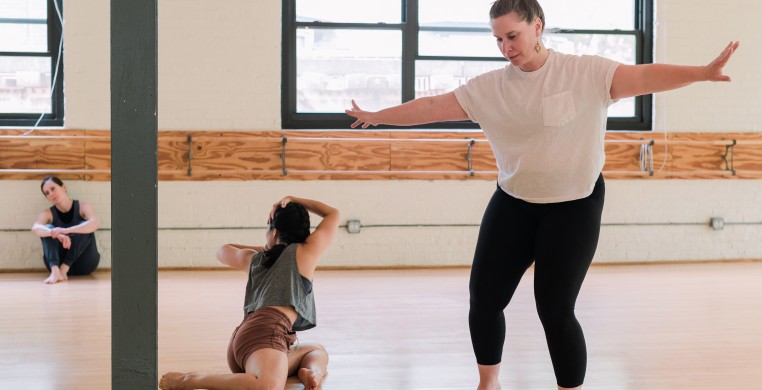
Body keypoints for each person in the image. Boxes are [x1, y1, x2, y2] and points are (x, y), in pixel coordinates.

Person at [344, 1, 739, 389]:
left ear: (538, 26)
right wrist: (380, 115)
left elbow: (645, 76)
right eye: (498, 39)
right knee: (483, 300)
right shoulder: (489, 88)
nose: (506, 47)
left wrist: (702, 73)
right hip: (514, 202)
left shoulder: (585, 72)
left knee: (554, 309)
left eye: (512, 35)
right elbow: (432, 106)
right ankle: (489, 383)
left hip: (575, 206)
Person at [159, 196, 340, 390]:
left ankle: (312, 372)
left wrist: (268, 249)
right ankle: (189, 380)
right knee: (268, 386)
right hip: (267, 334)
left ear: (274, 231)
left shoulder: (254, 259)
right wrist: (293, 199)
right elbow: (333, 213)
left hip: (247, 339)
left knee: (316, 351)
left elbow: (223, 250)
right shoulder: (306, 252)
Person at [31, 176, 101, 284]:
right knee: (47, 229)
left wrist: (66, 230)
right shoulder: (47, 213)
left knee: (85, 226)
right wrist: (54, 233)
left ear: (64, 187)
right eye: (47, 193)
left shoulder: (83, 207)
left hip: (85, 263)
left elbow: (95, 223)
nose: (51, 194)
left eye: (53, 189)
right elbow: (35, 227)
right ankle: (55, 272)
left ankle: (65, 268)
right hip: (57, 265)